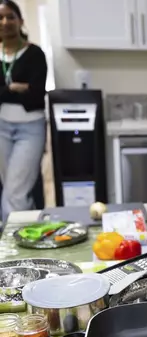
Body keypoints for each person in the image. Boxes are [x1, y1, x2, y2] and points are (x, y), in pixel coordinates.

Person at [0, 0, 47, 222]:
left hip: (31, 128)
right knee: (12, 187)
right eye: (0, 18)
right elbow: (23, 91)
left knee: (15, 191)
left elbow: (37, 95)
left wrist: (7, 91)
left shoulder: (35, 54)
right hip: (2, 128)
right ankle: (28, 231)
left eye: (10, 16)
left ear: (20, 21)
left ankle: (11, 244)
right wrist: (16, 88)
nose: (5, 22)